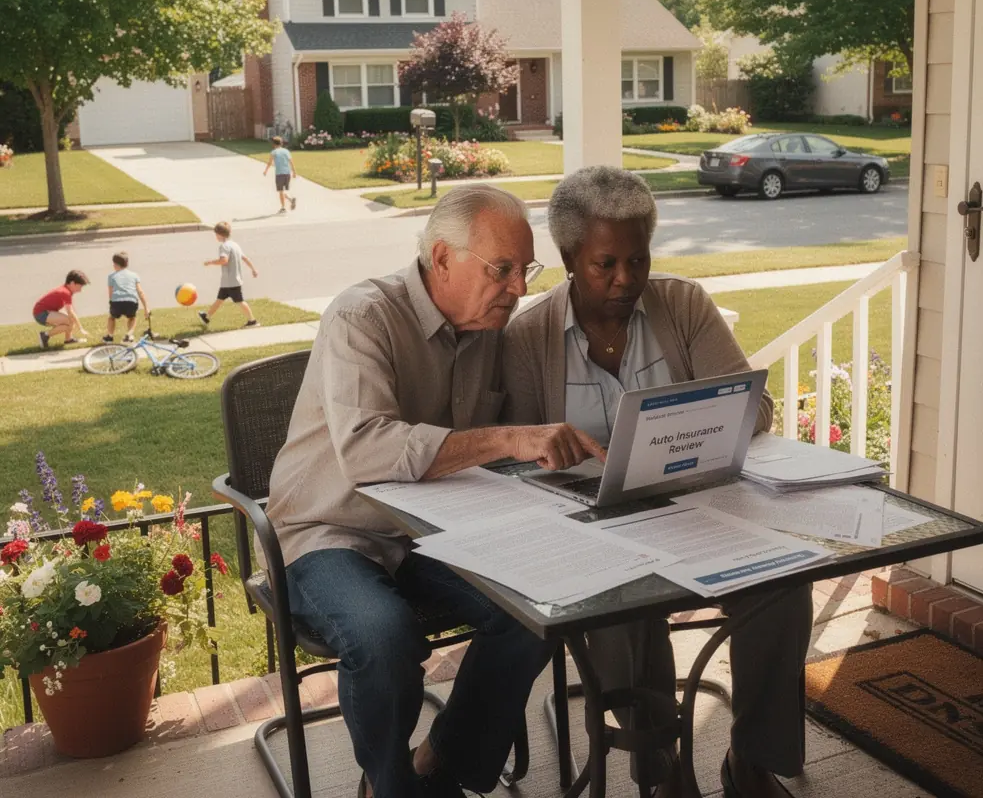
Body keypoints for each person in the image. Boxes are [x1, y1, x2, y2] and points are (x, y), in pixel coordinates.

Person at [267, 184, 603, 798]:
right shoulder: (361, 315)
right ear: (442, 258)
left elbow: (532, 422)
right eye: (502, 269)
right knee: (382, 635)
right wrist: (506, 439)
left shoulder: (491, 329)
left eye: (526, 270)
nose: (520, 288)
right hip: (334, 529)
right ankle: (389, 787)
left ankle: (442, 764)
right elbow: (368, 451)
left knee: (539, 610)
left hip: (436, 532)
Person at [503, 166, 813, 798]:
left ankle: (752, 759)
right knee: (624, 606)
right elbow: (513, 465)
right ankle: (658, 764)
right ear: (568, 258)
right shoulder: (528, 337)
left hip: (701, 507)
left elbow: (756, 410)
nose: (626, 280)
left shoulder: (683, 305)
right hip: (591, 526)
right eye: (605, 264)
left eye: (638, 260)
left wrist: (690, 426)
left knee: (784, 579)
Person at [198, 221, 260, 328]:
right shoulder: (235, 245)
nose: (215, 237)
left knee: (240, 301)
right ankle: (207, 317)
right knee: (219, 299)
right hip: (229, 281)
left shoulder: (224, 247)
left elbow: (224, 260)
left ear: (219, 235)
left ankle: (252, 321)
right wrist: (253, 269)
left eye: (216, 234)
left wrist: (210, 262)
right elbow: (244, 258)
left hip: (231, 281)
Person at [33, 271, 89, 349]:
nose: (80, 290)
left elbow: (71, 310)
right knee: (69, 321)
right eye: (80, 286)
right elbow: (70, 312)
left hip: (46, 312)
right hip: (41, 314)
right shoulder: (65, 292)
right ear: (72, 283)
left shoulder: (67, 290)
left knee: (70, 321)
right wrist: (81, 328)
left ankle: (68, 339)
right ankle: (45, 335)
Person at [103, 252, 149, 343]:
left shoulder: (111, 276)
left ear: (116, 265)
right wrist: (146, 308)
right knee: (132, 317)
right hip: (131, 301)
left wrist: (112, 303)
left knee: (112, 318)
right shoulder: (134, 275)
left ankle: (110, 336)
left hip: (116, 302)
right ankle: (129, 335)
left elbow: (110, 293)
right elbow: (140, 292)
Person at [263, 135, 297, 214]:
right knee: (284, 190)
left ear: (274, 144)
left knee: (281, 191)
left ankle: (283, 207)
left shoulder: (273, 152)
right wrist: (294, 172)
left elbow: (270, 163)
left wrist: (265, 171)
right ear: (281, 143)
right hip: (287, 173)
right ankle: (290, 200)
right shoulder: (286, 151)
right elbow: (291, 162)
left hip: (279, 174)